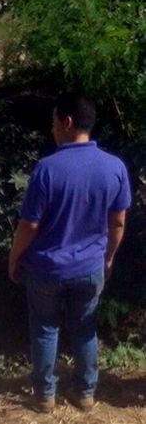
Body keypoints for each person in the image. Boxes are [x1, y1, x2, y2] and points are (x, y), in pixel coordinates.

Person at [8, 93, 131, 413]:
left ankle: (45, 396)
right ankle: (86, 393)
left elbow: (29, 225)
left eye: (53, 123)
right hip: (90, 265)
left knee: (46, 329)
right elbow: (117, 223)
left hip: (47, 268)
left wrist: (14, 256)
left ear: (67, 122)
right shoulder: (114, 167)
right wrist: (109, 256)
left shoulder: (46, 169)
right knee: (84, 328)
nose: (51, 130)